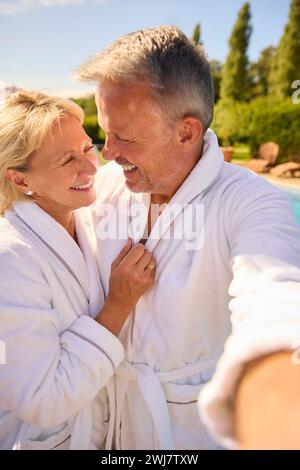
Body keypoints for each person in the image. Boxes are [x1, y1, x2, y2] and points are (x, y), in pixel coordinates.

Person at [77, 25, 300, 450]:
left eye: (123, 137)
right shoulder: (103, 187)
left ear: (186, 133)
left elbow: (275, 292)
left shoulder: (250, 202)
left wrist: (279, 378)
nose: (107, 153)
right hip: (102, 424)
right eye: (106, 132)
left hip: (185, 434)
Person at [0, 90, 156, 450]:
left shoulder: (83, 218)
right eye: (67, 160)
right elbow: (42, 399)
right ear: (21, 181)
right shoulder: (10, 258)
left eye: (88, 148)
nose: (91, 167)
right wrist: (119, 304)